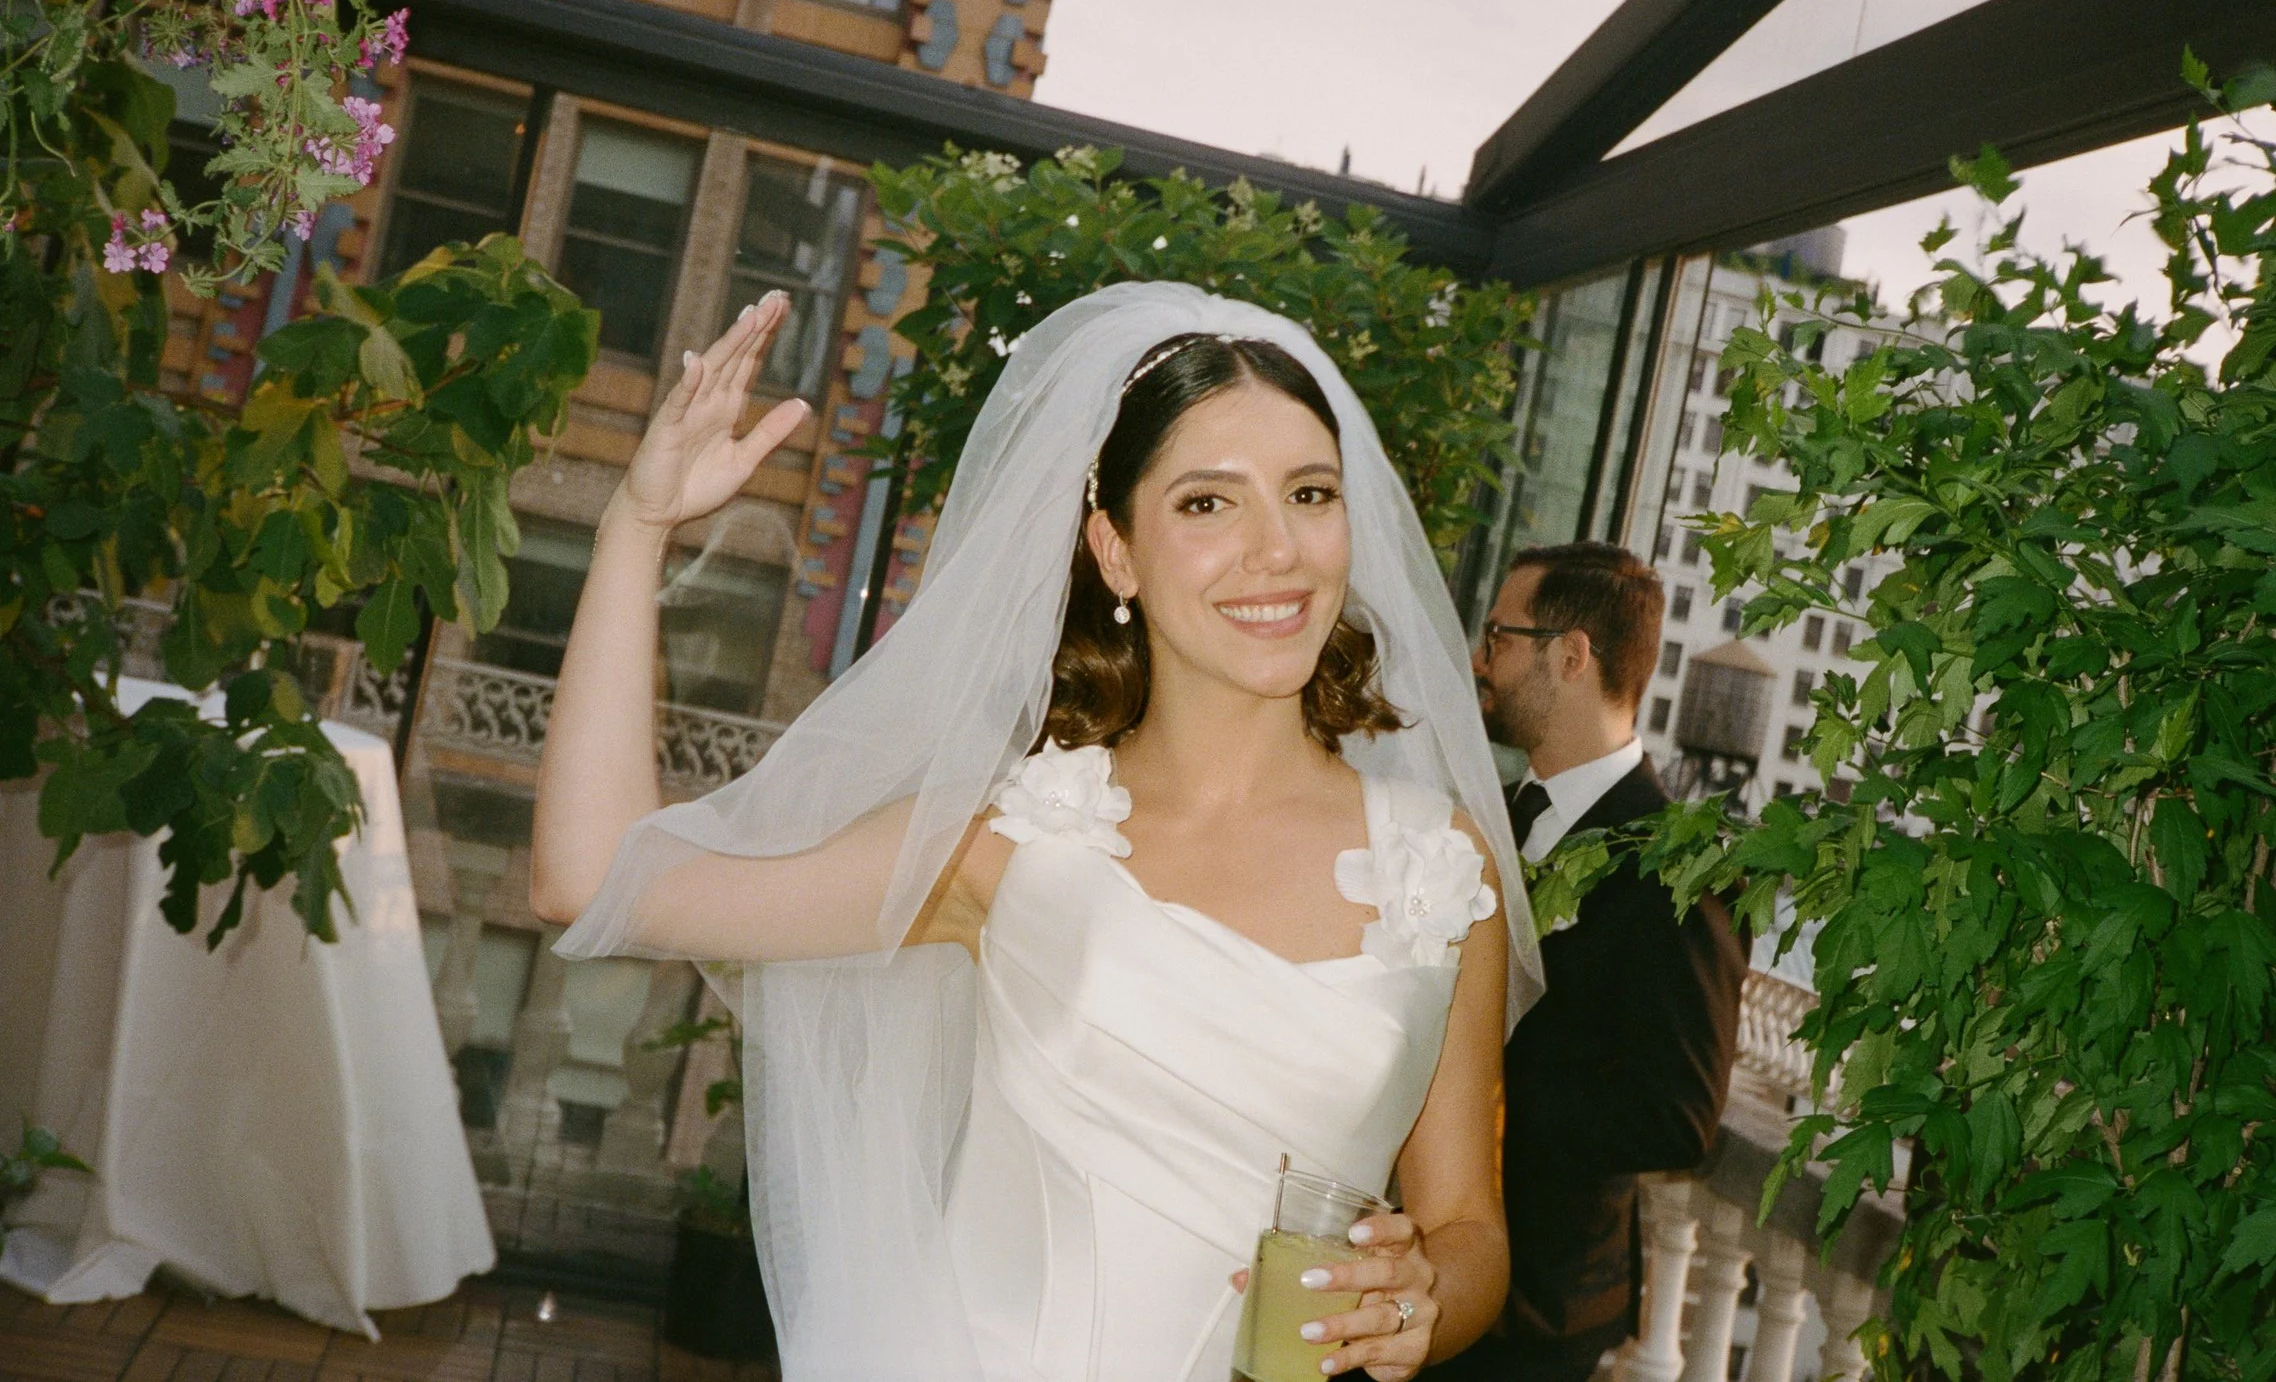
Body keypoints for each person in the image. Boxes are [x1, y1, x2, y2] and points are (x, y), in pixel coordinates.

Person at [527, 282, 1544, 1382]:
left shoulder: (1437, 868)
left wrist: (1424, 1301)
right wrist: (635, 527)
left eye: (1309, 493)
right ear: (1115, 551)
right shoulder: (1007, 845)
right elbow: (590, 878)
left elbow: (1469, 1228)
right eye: (1208, 504)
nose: (1277, 550)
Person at [1441, 542, 1747, 1382]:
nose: (1480, 658)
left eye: (1498, 636)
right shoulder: (1485, 816)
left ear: (1570, 655)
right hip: (1423, 1257)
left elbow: (1678, 1115)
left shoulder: (1681, 869)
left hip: (1536, 1307)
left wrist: (1478, 1092)